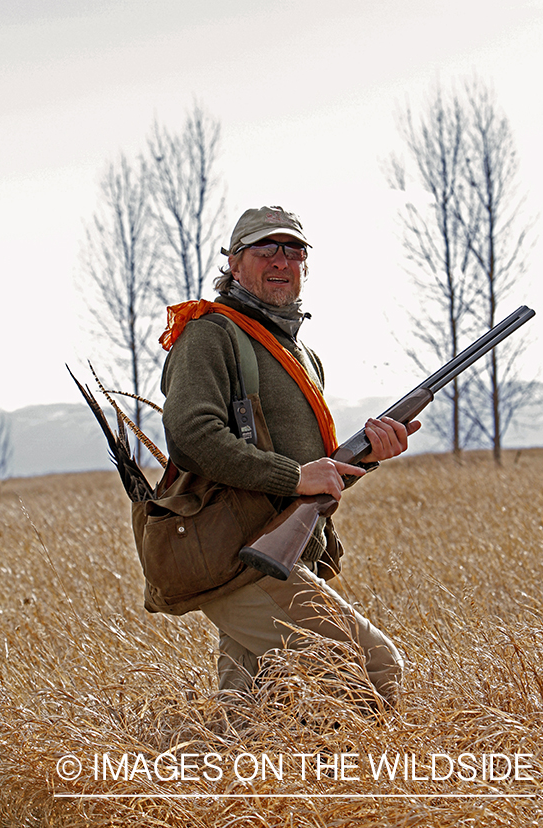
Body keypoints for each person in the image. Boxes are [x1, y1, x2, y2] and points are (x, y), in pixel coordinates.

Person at [159, 205, 420, 709]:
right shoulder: (210, 335)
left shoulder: (299, 353)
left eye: (294, 250)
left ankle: (200, 786)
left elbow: (313, 475)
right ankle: (365, 784)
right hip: (239, 554)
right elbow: (190, 436)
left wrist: (370, 455)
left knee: (255, 710)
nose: (282, 260)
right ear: (234, 263)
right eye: (266, 248)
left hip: (281, 553)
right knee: (373, 669)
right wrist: (294, 475)